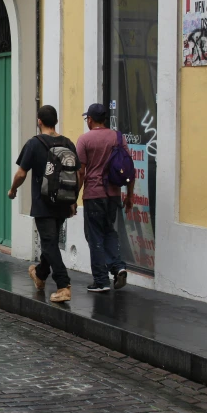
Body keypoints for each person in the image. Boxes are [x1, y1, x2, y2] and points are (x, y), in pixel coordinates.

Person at [8, 105, 77, 303]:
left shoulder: (34, 144)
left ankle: (63, 286)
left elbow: (21, 173)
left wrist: (13, 190)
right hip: (63, 202)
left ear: (39, 121)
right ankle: (39, 274)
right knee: (51, 243)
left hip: (43, 203)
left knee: (48, 243)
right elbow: (78, 173)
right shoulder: (68, 143)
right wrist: (73, 200)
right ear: (55, 121)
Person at [76, 103, 134, 293]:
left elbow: (81, 172)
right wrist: (130, 196)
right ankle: (118, 267)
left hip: (94, 194)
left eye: (87, 119)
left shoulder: (84, 140)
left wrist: (73, 197)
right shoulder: (118, 138)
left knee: (94, 237)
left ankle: (101, 281)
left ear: (90, 120)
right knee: (109, 232)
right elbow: (129, 168)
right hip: (114, 195)